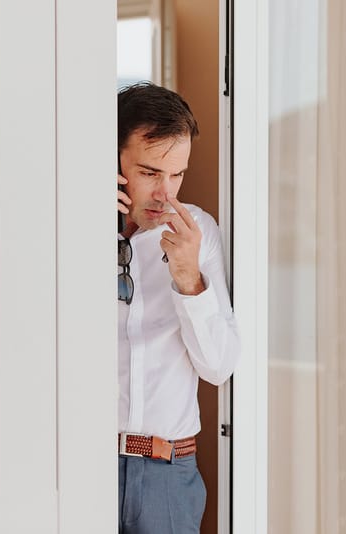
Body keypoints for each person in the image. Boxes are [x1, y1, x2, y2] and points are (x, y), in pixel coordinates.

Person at [116, 82, 240, 534]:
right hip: (76, 464)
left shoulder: (199, 234)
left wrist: (189, 277)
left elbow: (219, 367)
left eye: (177, 175)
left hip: (167, 475)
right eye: (150, 173)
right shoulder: (64, 226)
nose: (166, 194)